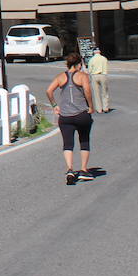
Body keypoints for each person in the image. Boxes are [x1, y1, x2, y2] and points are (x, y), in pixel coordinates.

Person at [47, 52, 95, 185]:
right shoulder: (82, 76)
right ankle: (84, 169)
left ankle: (70, 169)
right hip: (81, 114)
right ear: (79, 64)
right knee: (84, 140)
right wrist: (91, 106)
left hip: (65, 116)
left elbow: (49, 90)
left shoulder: (61, 77)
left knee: (68, 143)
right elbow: (87, 91)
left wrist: (55, 105)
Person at [87, 48, 110, 113]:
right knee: (104, 92)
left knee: (96, 93)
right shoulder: (104, 58)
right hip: (103, 75)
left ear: (94, 52)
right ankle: (105, 107)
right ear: (99, 52)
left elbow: (89, 70)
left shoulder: (91, 59)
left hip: (94, 75)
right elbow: (106, 66)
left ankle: (99, 109)